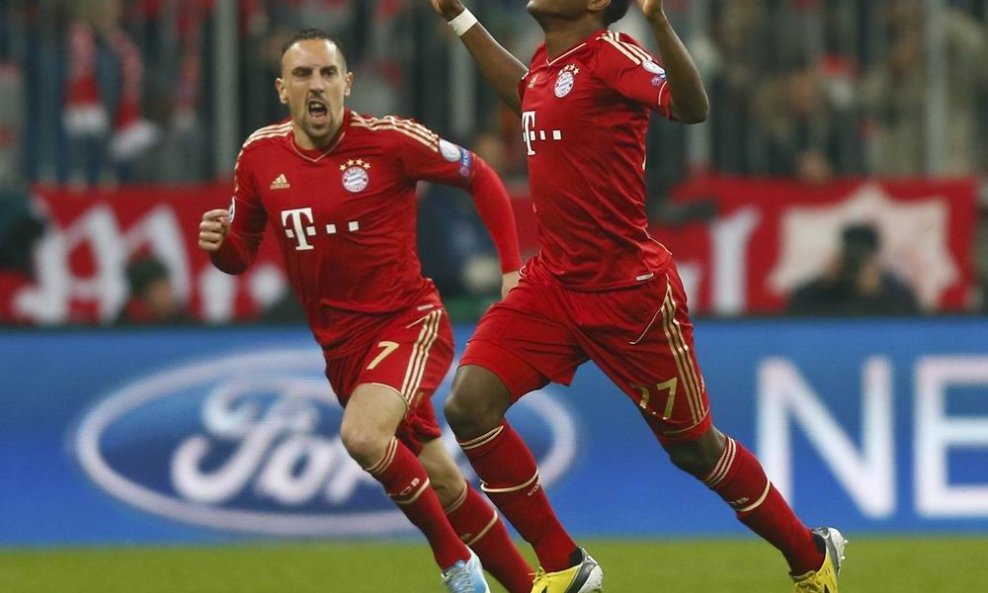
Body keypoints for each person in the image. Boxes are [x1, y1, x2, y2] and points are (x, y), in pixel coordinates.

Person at [426, 1, 845, 592]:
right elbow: (525, 94)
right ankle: (566, 565)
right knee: (469, 406)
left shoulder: (613, 54)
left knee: (695, 450)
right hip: (553, 284)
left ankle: (810, 555)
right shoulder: (549, 63)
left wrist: (660, 22)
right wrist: (459, 17)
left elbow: (692, 107)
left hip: (630, 296)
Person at [197, 29, 532, 593]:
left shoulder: (389, 140)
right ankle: (528, 586)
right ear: (283, 89)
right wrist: (220, 245)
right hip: (342, 350)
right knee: (444, 482)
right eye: (303, 75)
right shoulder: (259, 156)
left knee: (361, 436)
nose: (317, 84)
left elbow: (481, 175)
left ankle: (455, 565)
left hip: (408, 321)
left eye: (328, 73)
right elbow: (241, 254)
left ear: (347, 84)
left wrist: (511, 267)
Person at [787, 223, 919, 317]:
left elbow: (910, 326)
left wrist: (875, 293)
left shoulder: (894, 291)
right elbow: (796, 314)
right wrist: (823, 284)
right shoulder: (822, 287)